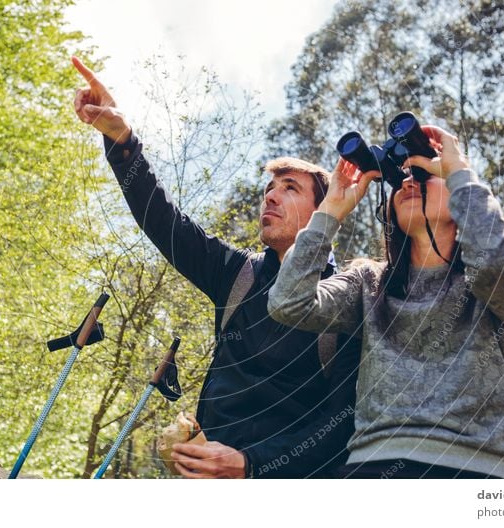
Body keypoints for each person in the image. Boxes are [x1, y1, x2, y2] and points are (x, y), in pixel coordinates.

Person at [71, 56, 360, 478]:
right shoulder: (237, 274)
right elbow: (165, 223)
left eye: (290, 188)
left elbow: (341, 426)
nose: (271, 197)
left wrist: (250, 466)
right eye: (269, 188)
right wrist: (121, 140)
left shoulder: (349, 296)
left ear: (324, 210)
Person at [267, 124, 504, 478]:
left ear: (460, 198)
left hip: (476, 467)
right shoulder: (370, 284)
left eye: (425, 176)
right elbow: (287, 303)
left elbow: (493, 259)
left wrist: (460, 171)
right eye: (401, 181)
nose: (409, 183)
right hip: (375, 468)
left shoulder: (493, 285)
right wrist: (331, 211)